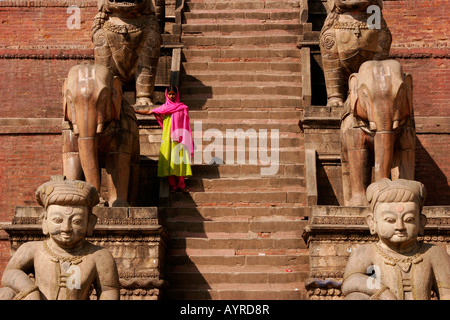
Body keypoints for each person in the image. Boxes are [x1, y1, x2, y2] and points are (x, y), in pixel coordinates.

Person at [0, 176, 120, 300]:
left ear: (90, 223)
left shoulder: (99, 256)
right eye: (58, 220)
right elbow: (10, 273)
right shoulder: (33, 249)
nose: (66, 228)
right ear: (45, 221)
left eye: (77, 221)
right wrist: (30, 291)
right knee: (5, 294)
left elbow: (109, 291)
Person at [341, 179, 450, 300]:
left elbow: (447, 294)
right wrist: (382, 292)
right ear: (372, 223)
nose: (400, 227)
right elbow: (350, 282)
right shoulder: (366, 252)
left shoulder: (434, 253)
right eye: (390, 220)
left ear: (421, 222)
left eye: (409, 220)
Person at [135, 85, 193, 192]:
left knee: (179, 161)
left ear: (177, 95)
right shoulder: (165, 108)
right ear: (166, 95)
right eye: (169, 94)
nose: (171, 96)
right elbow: (149, 112)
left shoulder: (183, 108)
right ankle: (173, 186)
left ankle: (181, 185)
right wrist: (134, 111)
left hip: (180, 139)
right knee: (169, 160)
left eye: (173, 94)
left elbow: (186, 125)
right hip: (168, 139)